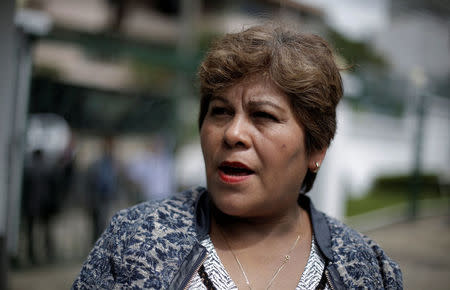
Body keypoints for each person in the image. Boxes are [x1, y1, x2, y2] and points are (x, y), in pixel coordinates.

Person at [72, 24, 402, 289]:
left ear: (316, 149)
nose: (232, 133)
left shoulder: (365, 268)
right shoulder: (135, 240)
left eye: (263, 116)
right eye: (220, 112)